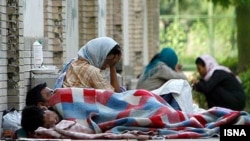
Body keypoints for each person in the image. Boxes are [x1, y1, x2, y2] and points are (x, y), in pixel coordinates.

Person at [54, 37, 125, 93]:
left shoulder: (74, 62)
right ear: (98, 55)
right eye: (107, 62)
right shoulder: (92, 71)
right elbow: (115, 96)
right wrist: (113, 67)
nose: (106, 66)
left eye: (110, 64)